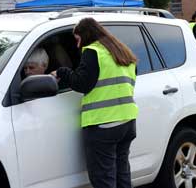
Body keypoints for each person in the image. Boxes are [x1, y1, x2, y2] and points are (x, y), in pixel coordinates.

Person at [51, 18, 138, 188]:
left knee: (104, 180)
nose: (77, 46)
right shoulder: (122, 52)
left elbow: (82, 83)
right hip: (127, 122)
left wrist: (62, 72)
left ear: (85, 35)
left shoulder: (93, 52)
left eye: (77, 40)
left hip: (104, 125)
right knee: (122, 177)